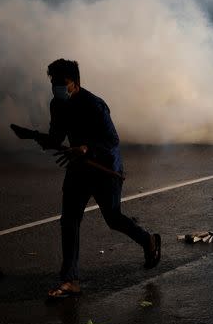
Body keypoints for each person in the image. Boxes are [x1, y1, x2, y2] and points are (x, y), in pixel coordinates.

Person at [34, 59, 161, 299]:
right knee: (69, 221)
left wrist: (85, 148)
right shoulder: (57, 105)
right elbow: (57, 135)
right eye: (53, 82)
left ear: (75, 83)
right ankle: (70, 280)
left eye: (62, 83)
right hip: (78, 168)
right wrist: (43, 139)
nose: (56, 87)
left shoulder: (94, 105)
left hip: (105, 169)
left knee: (113, 219)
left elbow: (112, 140)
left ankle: (148, 240)